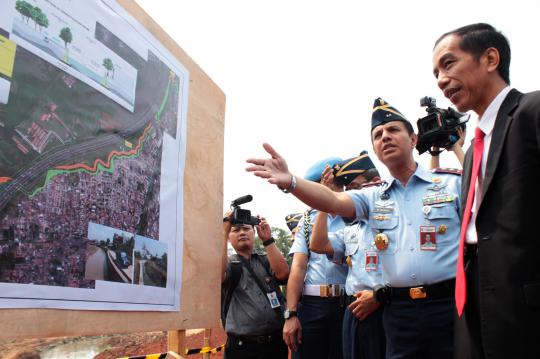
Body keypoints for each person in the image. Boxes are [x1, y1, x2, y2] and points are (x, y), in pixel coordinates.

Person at [246, 97, 462, 359]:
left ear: (414, 139)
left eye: (393, 130)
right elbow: (333, 200)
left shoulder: (452, 184)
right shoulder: (372, 197)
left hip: (449, 306)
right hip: (398, 313)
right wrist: (291, 181)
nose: (385, 137)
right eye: (378, 135)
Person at [432, 23, 540, 359]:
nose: (440, 80)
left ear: (490, 58)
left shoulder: (531, 111)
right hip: (474, 297)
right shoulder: (473, 150)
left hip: (525, 306)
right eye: (435, 72)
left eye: (448, 64)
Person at [310, 152, 386, 359]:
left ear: (376, 183)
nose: (348, 197)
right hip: (355, 311)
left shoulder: (396, 218)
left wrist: (380, 296)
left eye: (354, 189)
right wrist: (324, 200)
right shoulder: (352, 228)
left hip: (387, 307)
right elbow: (318, 244)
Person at [282, 157, 347, 359]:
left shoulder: (356, 214)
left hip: (348, 303)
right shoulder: (308, 220)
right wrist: (291, 314)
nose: (332, 188)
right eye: (324, 186)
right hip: (312, 305)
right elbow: (298, 268)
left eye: (335, 184)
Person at [221, 211, 290, 359]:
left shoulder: (266, 260)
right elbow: (218, 277)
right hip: (242, 348)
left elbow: (283, 274)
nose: (242, 233)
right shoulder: (227, 264)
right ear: (228, 237)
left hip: (275, 344)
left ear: (254, 232)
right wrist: (223, 230)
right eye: (236, 230)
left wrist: (268, 239)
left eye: (246, 228)